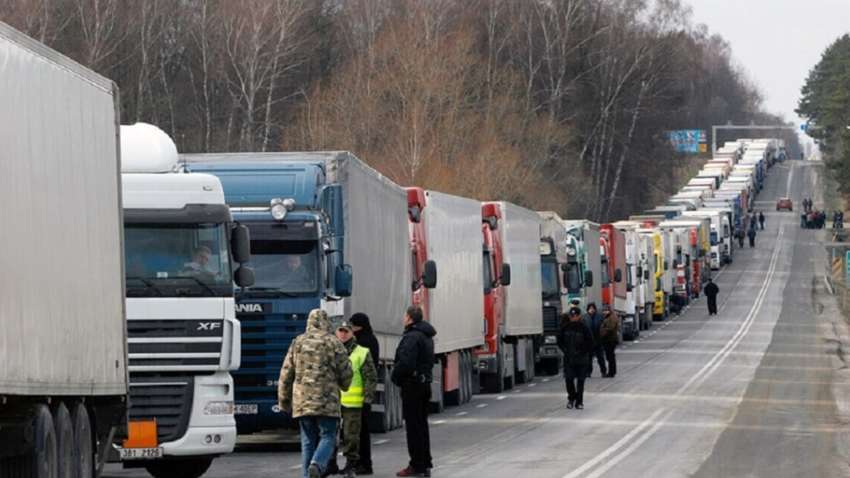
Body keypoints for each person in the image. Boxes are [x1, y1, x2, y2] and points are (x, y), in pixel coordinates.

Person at [279, 309, 353, 478]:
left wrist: (284, 401)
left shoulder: (297, 343)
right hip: (328, 402)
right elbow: (346, 372)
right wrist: (345, 385)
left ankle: (307, 475)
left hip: (303, 402)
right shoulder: (334, 343)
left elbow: (286, 373)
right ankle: (317, 464)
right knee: (328, 436)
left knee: (307, 441)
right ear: (326, 323)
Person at [392, 306, 436, 477]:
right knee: (422, 426)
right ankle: (425, 464)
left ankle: (416, 465)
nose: (404, 318)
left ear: (409, 318)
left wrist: (395, 376)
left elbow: (406, 362)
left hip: (412, 386)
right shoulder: (426, 336)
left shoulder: (412, 337)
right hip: (424, 384)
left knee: (413, 427)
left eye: (405, 315)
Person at [332, 320, 377, 478]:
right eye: (340, 331)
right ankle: (331, 464)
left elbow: (370, 378)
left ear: (352, 333)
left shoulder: (361, 352)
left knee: (351, 436)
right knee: (331, 434)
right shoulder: (331, 351)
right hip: (333, 402)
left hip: (353, 402)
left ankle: (351, 464)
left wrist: (367, 399)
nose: (343, 334)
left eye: (346, 331)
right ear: (336, 332)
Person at [350, 313, 379, 475]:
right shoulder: (372, 340)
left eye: (353, 325)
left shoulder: (360, 342)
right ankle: (363, 462)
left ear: (358, 326)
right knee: (361, 430)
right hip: (364, 392)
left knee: (359, 431)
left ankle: (363, 463)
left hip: (358, 392)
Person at [558, 307, 594, 409]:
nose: (573, 318)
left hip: (582, 359)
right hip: (569, 359)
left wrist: (583, 352)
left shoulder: (584, 328)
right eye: (571, 316)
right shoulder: (565, 327)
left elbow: (590, 342)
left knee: (580, 381)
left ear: (579, 316)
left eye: (575, 316)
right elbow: (559, 340)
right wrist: (565, 350)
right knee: (569, 380)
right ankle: (571, 398)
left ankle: (579, 402)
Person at [583, 303, 606, 378]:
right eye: (590, 308)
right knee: (589, 358)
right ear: (588, 309)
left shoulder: (599, 316)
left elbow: (603, 327)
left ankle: (603, 372)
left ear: (595, 309)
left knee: (600, 358)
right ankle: (588, 372)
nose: (591, 310)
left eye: (593, 308)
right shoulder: (585, 317)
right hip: (589, 341)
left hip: (598, 340)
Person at [598, 306, 620, 378]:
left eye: (606, 310)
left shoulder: (612, 317)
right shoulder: (607, 317)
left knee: (610, 357)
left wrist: (602, 332)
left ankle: (611, 372)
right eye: (604, 310)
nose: (605, 312)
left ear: (609, 310)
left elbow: (610, 328)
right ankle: (611, 372)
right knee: (609, 356)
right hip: (607, 340)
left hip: (611, 340)